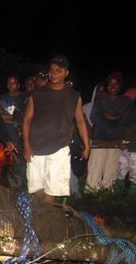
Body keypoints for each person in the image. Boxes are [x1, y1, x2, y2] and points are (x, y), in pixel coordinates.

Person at [22, 55, 90, 204]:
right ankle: (41, 217)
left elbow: (80, 121)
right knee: (36, 187)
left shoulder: (73, 96)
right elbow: (26, 119)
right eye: (52, 70)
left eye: (58, 70)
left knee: (52, 188)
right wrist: (26, 145)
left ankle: (47, 222)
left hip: (59, 147)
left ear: (66, 73)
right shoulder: (38, 93)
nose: (54, 74)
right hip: (36, 147)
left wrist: (87, 145)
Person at [85, 72, 132, 191]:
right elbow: (95, 118)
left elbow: (127, 120)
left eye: (116, 84)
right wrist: (117, 117)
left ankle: (105, 204)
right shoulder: (100, 99)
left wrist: (109, 116)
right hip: (99, 142)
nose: (113, 86)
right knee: (93, 177)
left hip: (116, 144)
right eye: (110, 83)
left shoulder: (126, 101)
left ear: (120, 86)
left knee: (109, 178)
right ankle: (90, 202)